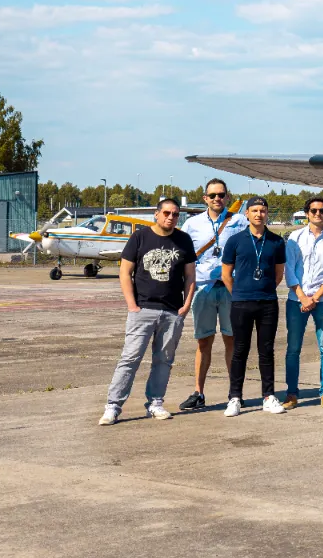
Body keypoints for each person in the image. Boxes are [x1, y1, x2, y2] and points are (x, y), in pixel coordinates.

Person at [100, 198, 196, 425]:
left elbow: (190, 276)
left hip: (172, 312)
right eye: (166, 213)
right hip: (142, 309)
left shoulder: (184, 240)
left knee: (164, 360)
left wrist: (186, 305)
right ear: (156, 214)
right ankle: (113, 406)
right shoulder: (139, 237)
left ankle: (155, 403)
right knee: (130, 358)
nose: (171, 217)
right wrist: (132, 305)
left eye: (175, 214)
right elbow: (125, 272)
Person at [220, 197, 288, 417]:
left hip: (267, 303)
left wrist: (263, 290)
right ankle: (235, 397)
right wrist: (239, 294)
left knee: (266, 351)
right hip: (241, 303)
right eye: (255, 210)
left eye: (263, 210)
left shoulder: (276, 241)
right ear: (247, 214)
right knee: (240, 350)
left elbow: (278, 274)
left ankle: (268, 396)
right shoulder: (235, 240)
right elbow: (226, 274)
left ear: (267, 213)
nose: (259, 214)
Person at [178, 179, 241, 412]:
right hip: (203, 288)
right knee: (203, 341)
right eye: (212, 195)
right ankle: (198, 392)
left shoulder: (239, 221)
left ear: (227, 197)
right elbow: (182, 254)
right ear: (205, 198)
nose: (217, 199)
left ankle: (235, 394)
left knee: (231, 340)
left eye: (221, 195)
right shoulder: (192, 224)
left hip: (229, 288)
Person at [282, 196, 323, 409]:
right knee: (293, 348)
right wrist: (302, 297)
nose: (318, 214)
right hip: (296, 300)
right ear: (307, 213)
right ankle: (291, 393)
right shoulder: (295, 237)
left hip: (322, 300)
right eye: (314, 210)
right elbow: (289, 269)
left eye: (322, 210)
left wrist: (314, 298)